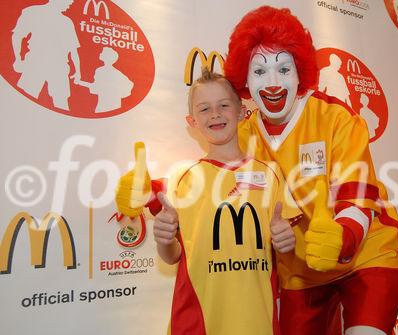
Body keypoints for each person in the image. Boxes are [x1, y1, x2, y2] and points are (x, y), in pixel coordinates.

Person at [224, 6, 398, 335]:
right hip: (301, 272)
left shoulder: (335, 118)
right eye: (260, 72)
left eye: (284, 68)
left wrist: (343, 237)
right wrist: (153, 193)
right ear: (245, 81)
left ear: (300, 73)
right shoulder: (243, 135)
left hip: (365, 257)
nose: (274, 83)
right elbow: (208, 180)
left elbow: (358, 193)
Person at [116, 68, 301, 335]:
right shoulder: (181, 177)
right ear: (192, 121)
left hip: (256, 321)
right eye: (204, 109)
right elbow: (172, 258)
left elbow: (286, 254)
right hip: (196, 323)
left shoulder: (270, 173)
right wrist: (164, 240)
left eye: (224, 105)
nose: (215, 114)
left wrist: (286, 242)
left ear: (241, 113)